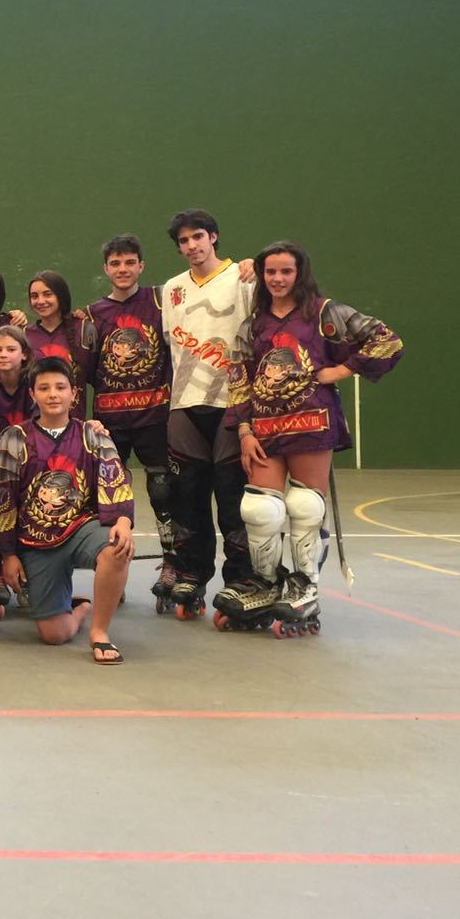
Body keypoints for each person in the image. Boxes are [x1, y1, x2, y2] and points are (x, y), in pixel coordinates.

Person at [217, 241, 403, 634]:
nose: (278, 279)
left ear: (300, 273)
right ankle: (266, 585)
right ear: (262, 276)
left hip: (311, 424)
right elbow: (238, 379)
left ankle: (304, 588)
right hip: (264, 429)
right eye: (270, 272)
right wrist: (244, 430)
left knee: (304, 507)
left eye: (286, 271)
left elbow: (386, 340)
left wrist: (342, 370)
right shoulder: (253, 324)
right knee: (260, 511)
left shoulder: (325, 313)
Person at [0, 356, 134, 664]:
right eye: (44, 388)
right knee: (54, 634)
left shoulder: (93, 435)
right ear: (32, 394)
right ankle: (79, 607)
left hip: (80, 528)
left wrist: (122, 521)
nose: (52, 394)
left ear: (73, 393)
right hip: (34, 539)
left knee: (116, 547)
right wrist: (8, 555)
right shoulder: (14, 439)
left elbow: (115, 480)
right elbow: (3, 500)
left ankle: (99, 632)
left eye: (60, 387)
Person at [159, 208, 257, 617]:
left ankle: (240, 580)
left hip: (232, 404)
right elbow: (171, 343)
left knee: (233, 497)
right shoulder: (172, 288)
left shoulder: (245, 278)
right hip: (185, 403)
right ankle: (192, 574)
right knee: (187, 496)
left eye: (198, 236)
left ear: (213, 236)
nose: (191, 246)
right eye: (183, 241)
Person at [86, 237, 176, 593]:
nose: (122, 269)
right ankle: (112, 564)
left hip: (155, 417)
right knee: (108, 498)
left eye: (129, 262)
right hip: (109, 422)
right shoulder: (92, 314)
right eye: (115, 263)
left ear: (141, 265)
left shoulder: (161, 300)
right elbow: (86, 368)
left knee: (164, 493)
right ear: (105, 269)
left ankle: (172, 564)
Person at [24, 270, 97, 417]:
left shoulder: (83, 329)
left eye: (47, 294)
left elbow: (97, 377)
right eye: (34, 296)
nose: (40, 301)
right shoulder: (25, 334)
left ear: (60, 295)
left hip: (74, 424)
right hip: (36, 423)